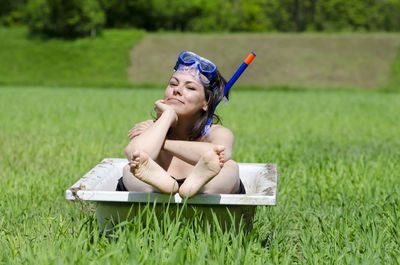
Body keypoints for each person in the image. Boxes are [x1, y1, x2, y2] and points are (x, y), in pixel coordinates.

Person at [117, 51, 245, 198]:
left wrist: (164, 143)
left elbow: (219, 155)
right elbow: (134, 153)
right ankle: (162, 185)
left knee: (230, 167)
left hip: (207, 186)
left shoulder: (217, 132)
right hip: (154, 185)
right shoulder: (151, 128)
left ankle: (196, 186)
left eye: (190, 88)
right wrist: (168, 115)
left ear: (206, 103)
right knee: (130, 169)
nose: (177, 90)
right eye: (173, 84)